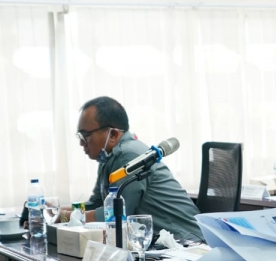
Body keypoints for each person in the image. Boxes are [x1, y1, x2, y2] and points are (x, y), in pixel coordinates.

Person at [74, 96, 204, 242]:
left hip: (186, 242)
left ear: (113, 134)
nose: (81, 142)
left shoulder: (128, 156)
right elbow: (97, 203)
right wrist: (60, 212)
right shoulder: (107, 157)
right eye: (79, 135)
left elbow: (115, 215)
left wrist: (67, 217)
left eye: (85, 135)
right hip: (158, 245)